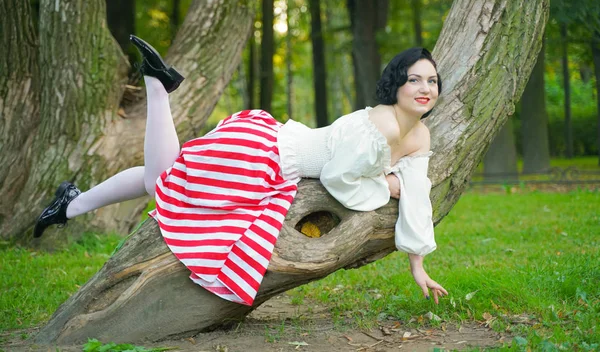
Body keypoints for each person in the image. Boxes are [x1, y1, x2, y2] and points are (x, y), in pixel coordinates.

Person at [34, 35, 448, 306]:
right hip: (263, 157)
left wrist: (418, 265)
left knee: (161, 175)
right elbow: (338, 179)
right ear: (397, 85)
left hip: (271, 153)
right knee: (163, 181)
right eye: (415, 80)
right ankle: (157, 88)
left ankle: (70, 204)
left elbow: (416, 190)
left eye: (431, 80)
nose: (425, 88)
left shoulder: (419, 135)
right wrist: (384, 185)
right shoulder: (383, 125)